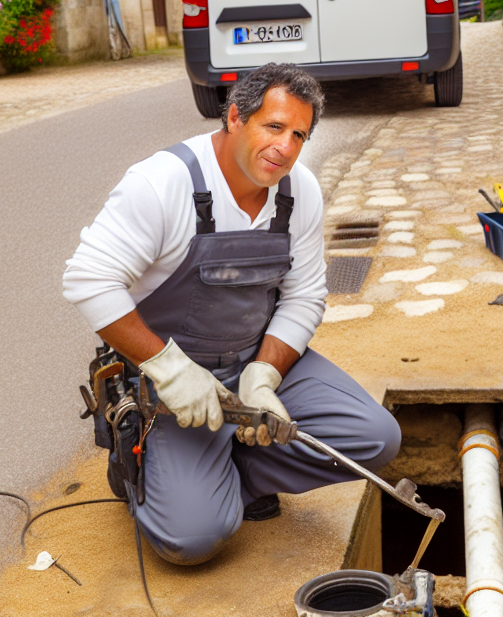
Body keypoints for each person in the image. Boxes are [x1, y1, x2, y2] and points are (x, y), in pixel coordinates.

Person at [63, 63, 400, 564]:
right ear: (236, 117)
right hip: (173, 384)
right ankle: (137, 466)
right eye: (274, 127)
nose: (285, 146)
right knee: (191, 541)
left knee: (374, 439)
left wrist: (264, 376)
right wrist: (170, 370)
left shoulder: (298, 192)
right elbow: (88, 279)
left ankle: (230, 465)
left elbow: (305, 295)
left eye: (299, 135)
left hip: (252, 361)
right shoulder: (162, 184)